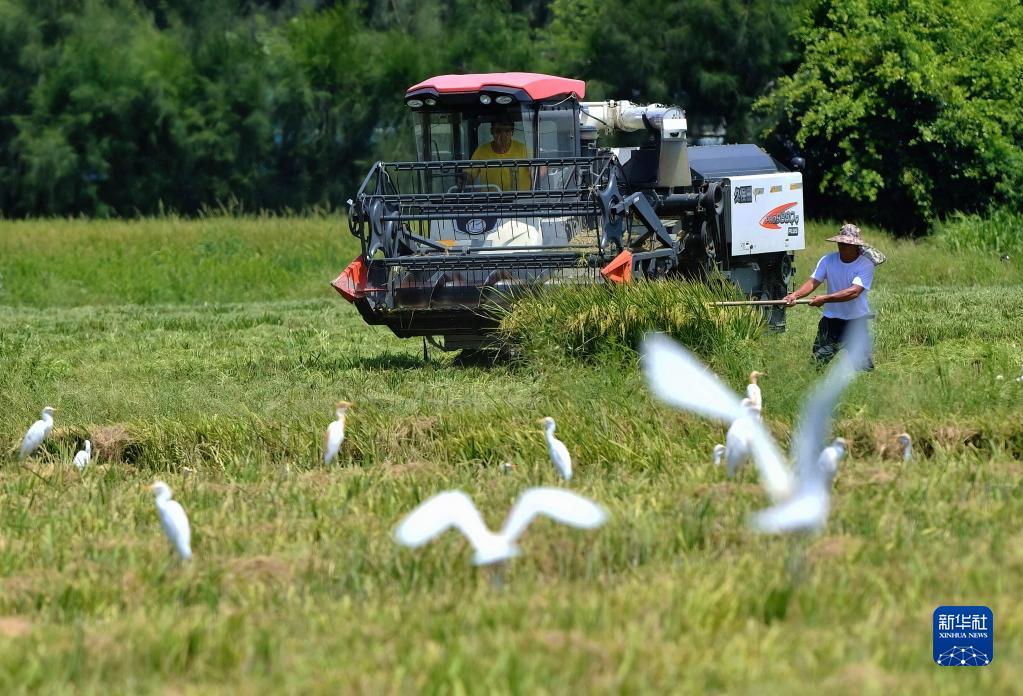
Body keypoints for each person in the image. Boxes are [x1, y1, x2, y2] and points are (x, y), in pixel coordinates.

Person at [783, 224, 880, 368]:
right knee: (816, 365)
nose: (842, 246)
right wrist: (795, 295)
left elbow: (854, 292)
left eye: (846, 243)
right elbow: (812, 282)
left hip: (856, 324)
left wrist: (825, 298)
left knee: (863, 368)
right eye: (840, 242)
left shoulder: (865, 265)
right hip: (831, 322)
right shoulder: (827, 260)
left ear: (856, 246)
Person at [468, 117, 530, 191]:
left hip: (520, 200)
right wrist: (464, 180)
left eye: (507, 131)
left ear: (512, 132)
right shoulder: (481, 151)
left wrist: (537, 171)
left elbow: (540, 168)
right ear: (492, 131)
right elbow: (469, 174)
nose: (503, 136)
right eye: (498, 131)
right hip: (491, 200)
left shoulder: (523, 149)